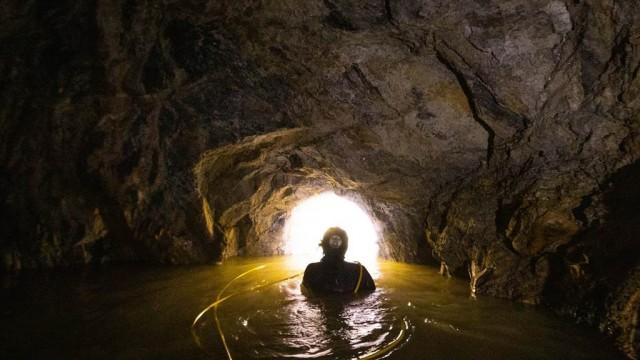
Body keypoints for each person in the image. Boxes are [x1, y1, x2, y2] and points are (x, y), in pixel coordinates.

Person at [302, 227, 375, 295]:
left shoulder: (311, 269)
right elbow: (370, 293)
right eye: (333, 239)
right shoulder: (359, 271)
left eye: (338, 239)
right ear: (345, 246)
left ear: (324, 244)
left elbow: (305, 294)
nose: (335, 241)